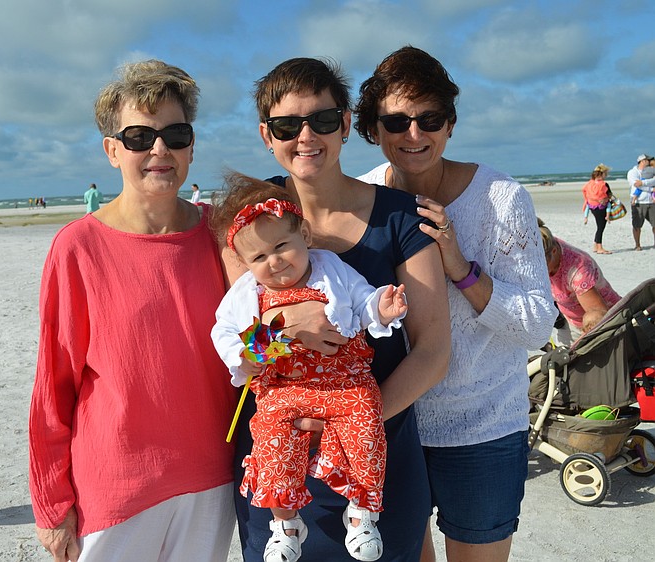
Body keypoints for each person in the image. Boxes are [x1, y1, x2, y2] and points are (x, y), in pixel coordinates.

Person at [231, 56, 451, 562]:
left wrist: (352, 422)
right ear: (268, 135)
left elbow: (433, 350)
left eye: (323, 120)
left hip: (376, 446)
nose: (306, 136)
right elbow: (240, 348)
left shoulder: (399, 216)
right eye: (287, 125)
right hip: (281, 450)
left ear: (347, 124)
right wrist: (282, 326)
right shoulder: (251, 220)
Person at [28, 60, 237, 562]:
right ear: (112, 150)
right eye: (140, 136)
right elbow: (53, 386)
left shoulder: (224, 235)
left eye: (174, 134)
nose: (158, 149)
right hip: (116, 488)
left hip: (213, 478)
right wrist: (52, 503)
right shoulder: (77, 247)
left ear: (191, 145)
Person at [354, 46, 555, 562]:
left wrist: (461, 269)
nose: (414, 134)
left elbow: (538, 323)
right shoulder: (365, 199)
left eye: (430, 118)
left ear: (451, 124)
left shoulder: (500, 198)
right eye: (396, 121)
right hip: (398, 422)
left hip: (483, 427)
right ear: (374, 130)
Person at [212, 174, 409, 562]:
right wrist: (252, 353)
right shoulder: (248, 292)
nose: (275, 261)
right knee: (269, 436)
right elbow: (226, 332)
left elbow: (363, 301)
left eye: (282, 245)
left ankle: (362, 513)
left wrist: (382, 310)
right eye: (259, 258)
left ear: (303, 232)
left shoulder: (331, 269)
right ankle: (285, 523)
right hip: (283, 386)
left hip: (344, 381)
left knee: (367, 423)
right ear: (245, 262)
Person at [538, 218, 621, 345]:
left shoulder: (578, 271)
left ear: (554, 252)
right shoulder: (544, 243)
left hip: (599, 323)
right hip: (569, 320)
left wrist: (580, 345)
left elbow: (598, 316)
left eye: (541, 265)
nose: (538, 270)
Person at [581, 164, 614, 254]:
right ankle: (600, 247)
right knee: (601, 227)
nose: (606, 175)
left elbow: (587, 195)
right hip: (601, 207)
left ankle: (595, 245)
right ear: (602, 173)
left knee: (599, 226)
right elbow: (609, 195)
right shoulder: (604, 184)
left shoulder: (589, 184)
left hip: (592, 207)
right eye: (605, 173)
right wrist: (607, 199)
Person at [627, 154, 655, 251]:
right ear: (643, 161)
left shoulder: (651, 171)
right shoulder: (632, 172)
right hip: (639, 202)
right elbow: (636, 185)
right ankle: (637, 244)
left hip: (651, 201)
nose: (649, 162)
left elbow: (652, 181)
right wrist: (651, 188)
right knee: (637, 224)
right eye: (647, 160)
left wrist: (643, 183)